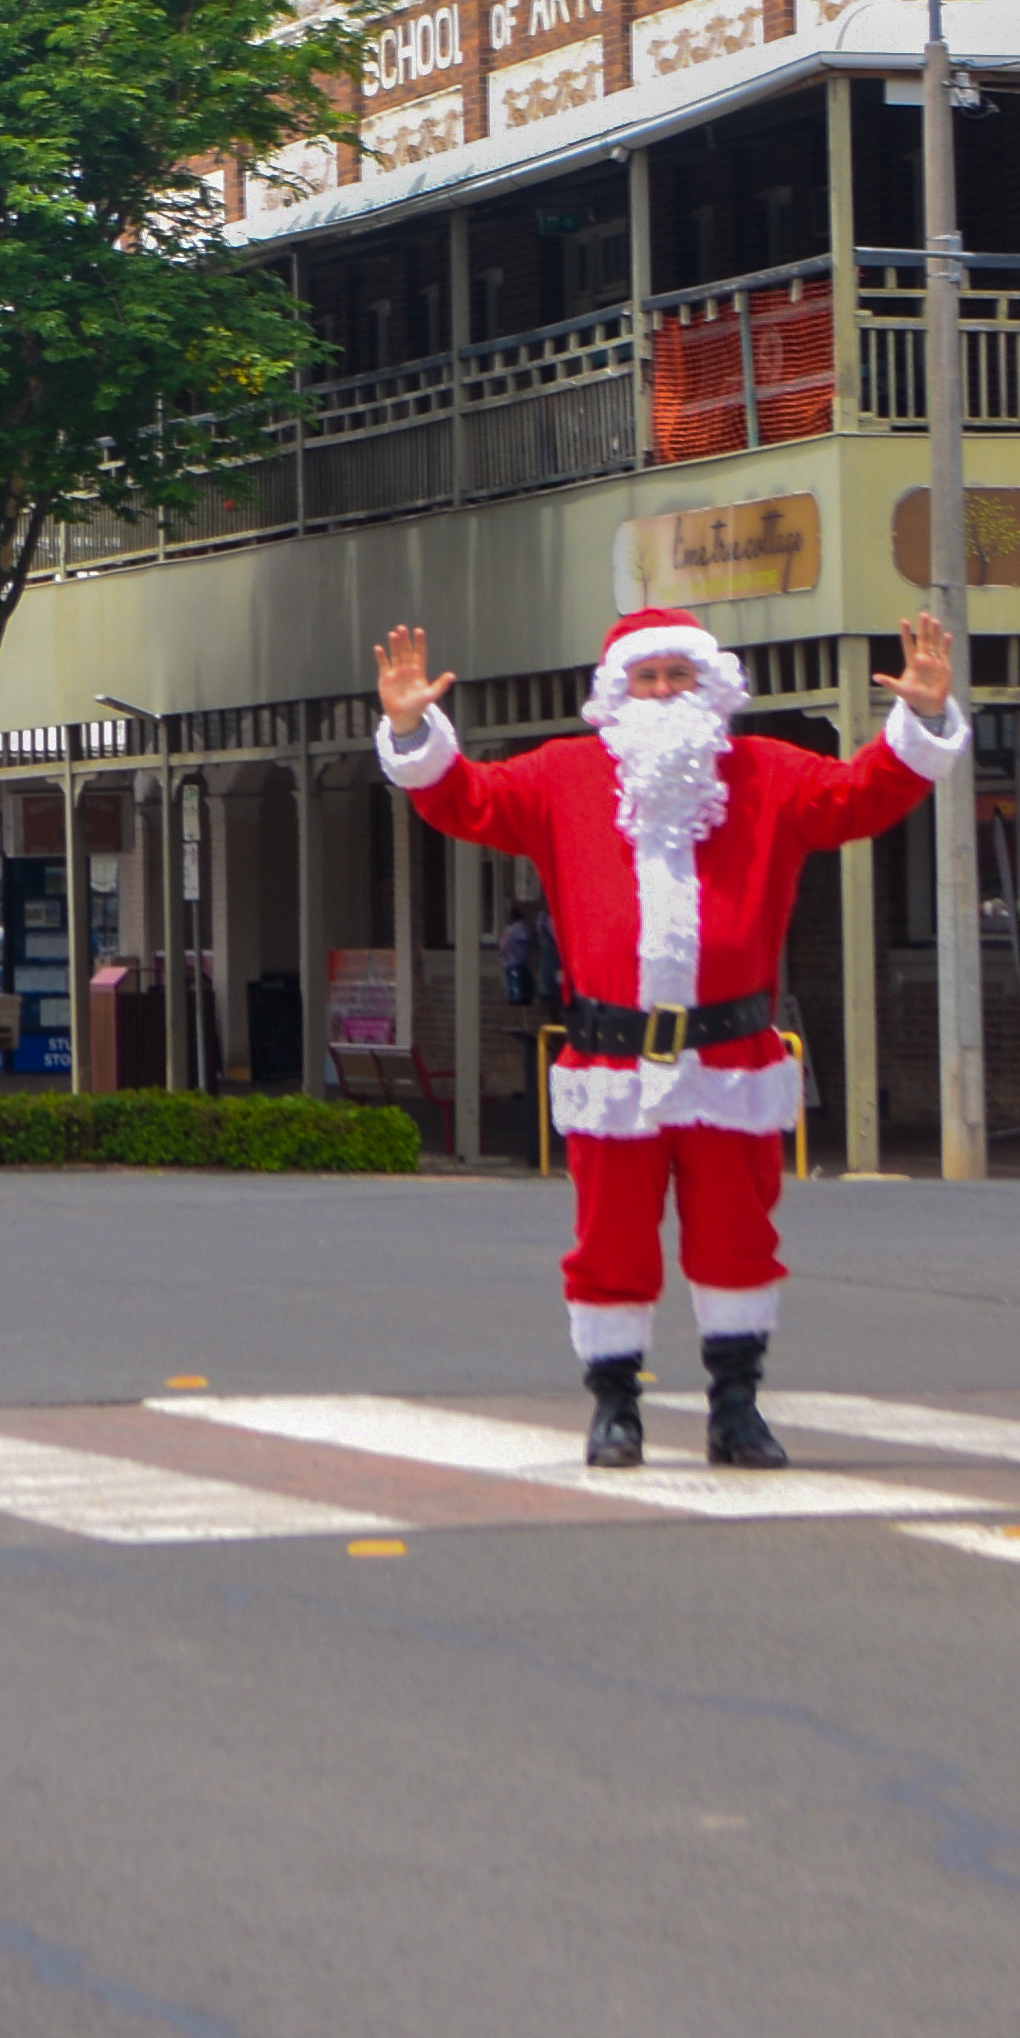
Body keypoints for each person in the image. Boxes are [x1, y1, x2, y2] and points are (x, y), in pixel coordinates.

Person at [374, 602, 963, 1470]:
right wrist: (412, 726)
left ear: (709, 687)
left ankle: (737, 1409)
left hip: (732, 1060)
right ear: (617, 693)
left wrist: (920, 718)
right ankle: (616, 1408)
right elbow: (466, 801)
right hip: (612, 1062)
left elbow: (861, 796)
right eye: (645, 678)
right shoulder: (563, 777)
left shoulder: (766, 773)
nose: (661, 692)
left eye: (677, 676)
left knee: (739, 1240)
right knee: (609, 1243)